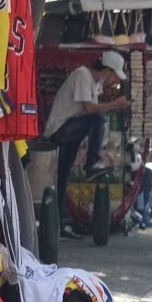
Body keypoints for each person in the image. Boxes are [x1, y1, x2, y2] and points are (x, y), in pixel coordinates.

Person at [41, 51, 126, 215]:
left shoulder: (95, 84)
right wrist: (114, 104)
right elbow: (89, 109)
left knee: (63, 177)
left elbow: (90, 112)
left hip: (71, 131)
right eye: (115, 77)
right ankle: (91, 163)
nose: (115, 82)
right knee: (99, 119)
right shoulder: (82, 75)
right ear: (107, 70)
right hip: (60, 129)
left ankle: (60, 219)